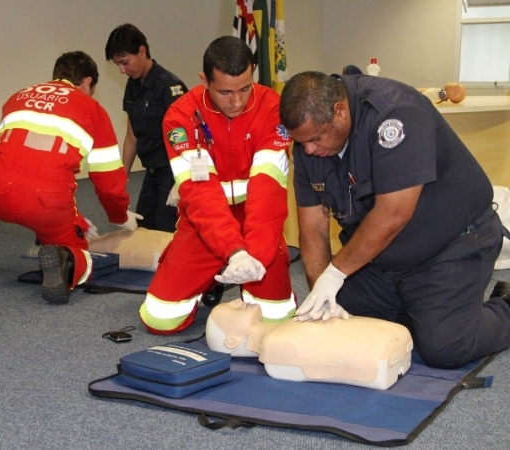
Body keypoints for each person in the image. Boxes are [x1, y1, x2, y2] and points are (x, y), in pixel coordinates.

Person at [279, 70, 510, 369]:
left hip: (451, 246)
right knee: (340, 319)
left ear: (339, 111)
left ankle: (501, 307)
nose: (308, 150)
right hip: (379, 258)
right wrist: (322, 291)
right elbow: (312, 228)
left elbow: (394, 213)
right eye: (301, 142)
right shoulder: (311, 144)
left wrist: (334, 274)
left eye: (314, 139)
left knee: (445, 347)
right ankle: (421, 311)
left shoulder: (396, 114)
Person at [0, 50, 140, 304]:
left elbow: (15, 157)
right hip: (48, 205)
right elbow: (107, 180)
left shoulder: (19, 96)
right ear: (86, 82)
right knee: (80, 253)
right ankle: (67, 262)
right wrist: (119, 214)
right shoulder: (93, 109)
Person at [139, 36, 296, 334]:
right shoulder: (180, 116)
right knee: (160, 318)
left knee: (277, 319)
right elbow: (200, 195)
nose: (237, 102)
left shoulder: (274, 107)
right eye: (225, 92)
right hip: (204, 222)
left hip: (257, 219)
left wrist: (257, 254)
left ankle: (243, 268)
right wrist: (234, 251)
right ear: (204, 81)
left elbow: (268, 187)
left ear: (253, 74)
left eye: (245, 88)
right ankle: (210, 272)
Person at [205, 299, 412, 390]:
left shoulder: (283, 331)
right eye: (229, 308)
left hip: (387, 340)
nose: (236, 301)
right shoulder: (276, 344)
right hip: (381, 351)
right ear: (231, 341)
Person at [105, 23, 188, 232]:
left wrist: (182, 181)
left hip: (171, 174)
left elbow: (186, 139)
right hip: (150, 173)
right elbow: (132, 135)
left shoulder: (169, 87)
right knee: (142, 227)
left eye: (125, 62)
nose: (122, 70)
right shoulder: (133, 84)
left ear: (142, 51)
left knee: (166, 230)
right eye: (118, 65)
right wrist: (122, 176)